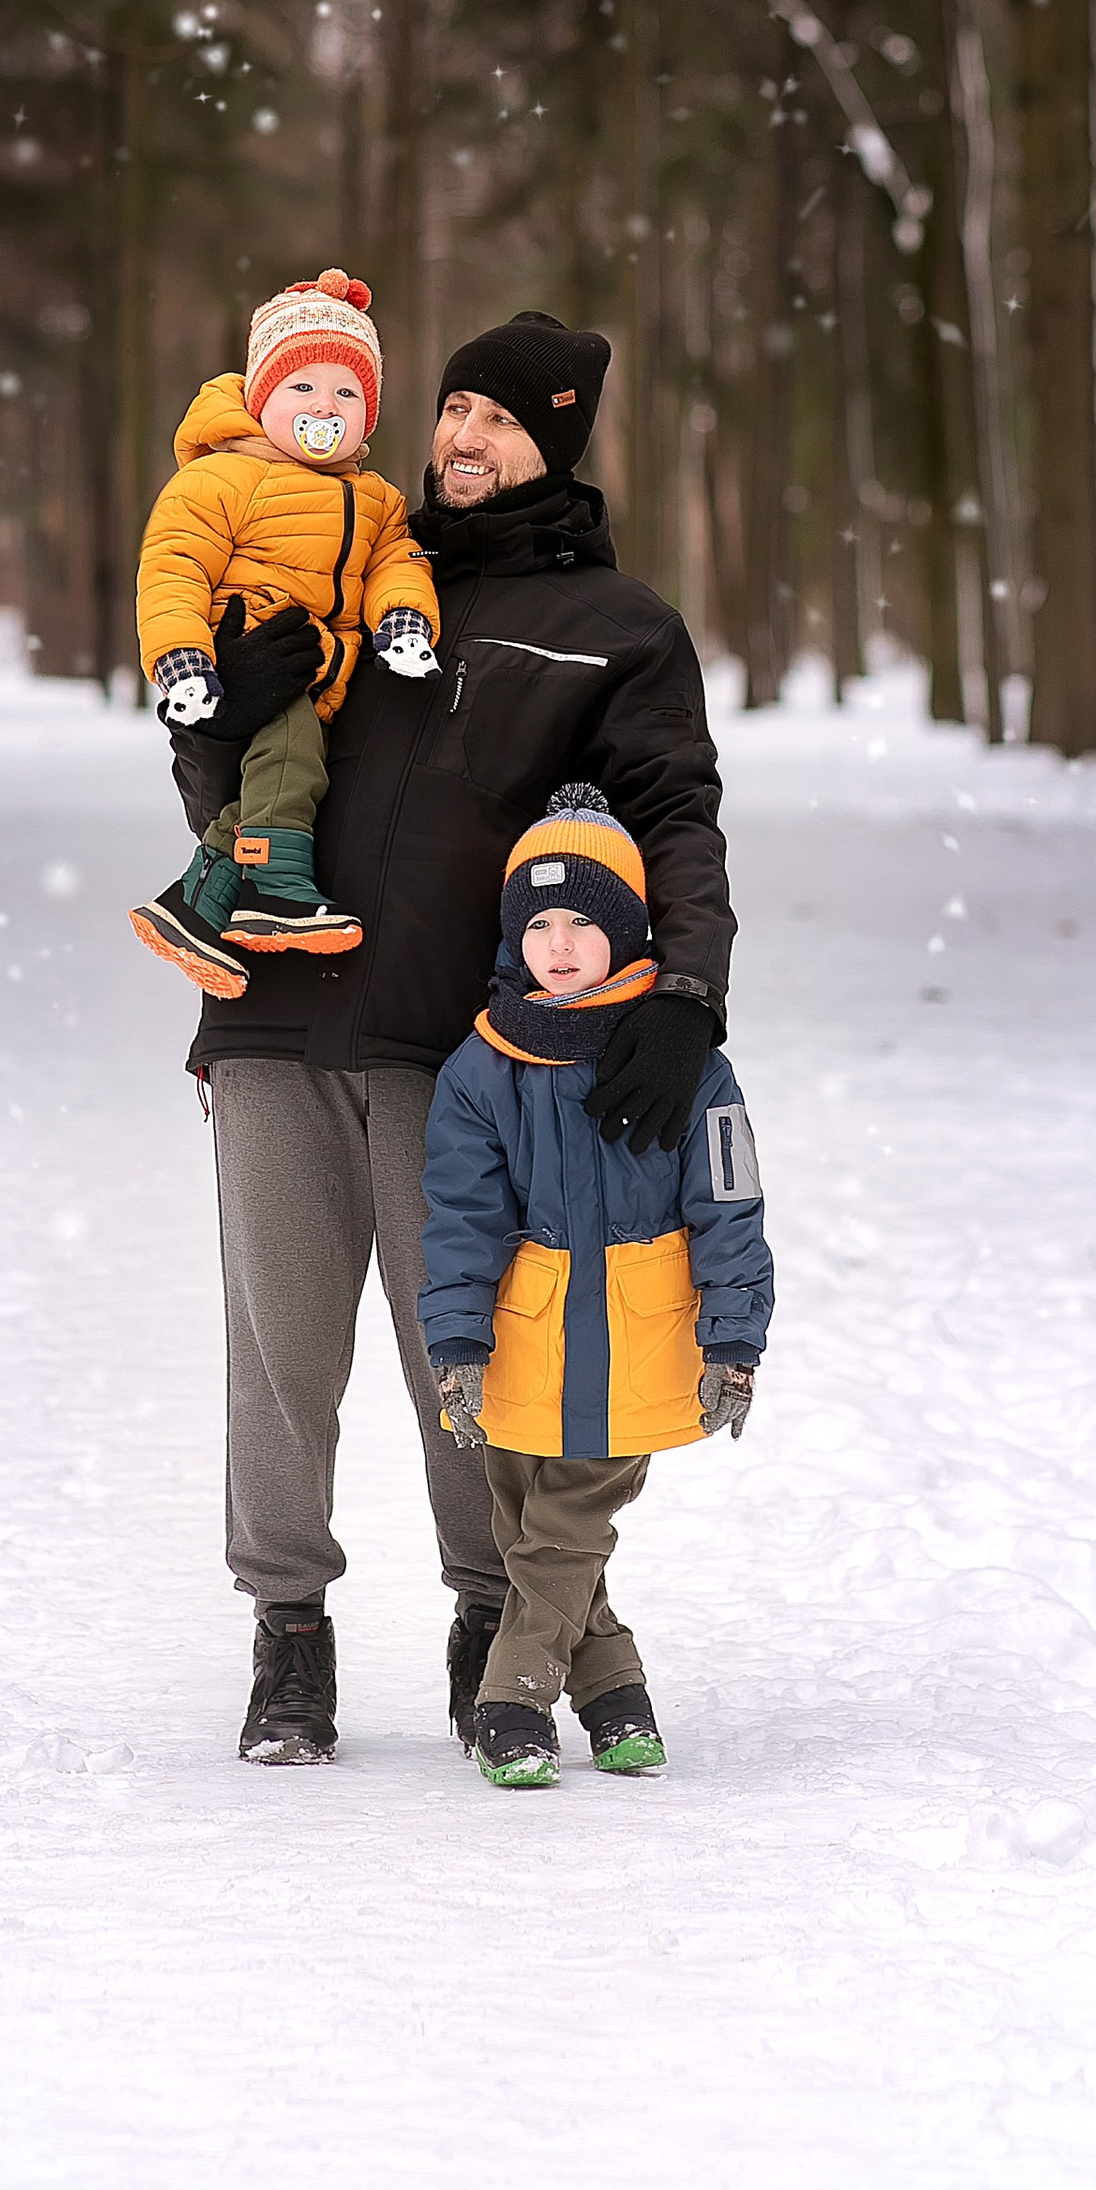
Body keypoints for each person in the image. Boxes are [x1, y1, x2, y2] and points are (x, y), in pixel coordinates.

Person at [163, 306, 736, 1767]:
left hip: (467, 1059)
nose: (459, 439)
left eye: (497, 420)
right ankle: (288, 1635)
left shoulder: (617, 631)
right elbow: (234, 795)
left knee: (466, 1359)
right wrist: (221, 715)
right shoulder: (355, 562)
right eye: (451, 412)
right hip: (274, 1011)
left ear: (554, 441)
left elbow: (671, 818)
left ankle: (501, 1625)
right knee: (279, 1358)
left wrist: (685, 996)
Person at [418, 784, 773, 1788]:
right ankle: (616, 1697)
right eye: (539, 924)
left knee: (566, 1527)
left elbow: (730, 1203)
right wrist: (457, 1348)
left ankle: (514, 1699)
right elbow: (460, 1220)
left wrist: (733, 1340)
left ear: (624, 930)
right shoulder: (479, 1071)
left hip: (639, 1339)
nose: (561, 945)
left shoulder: (689, 1067)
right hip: (523, 1341)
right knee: (535, 1530)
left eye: (585, 921)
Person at [130, 269, 441, 986]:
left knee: (275, 778)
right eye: (302, 388)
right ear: (261, 398)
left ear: (369, 415)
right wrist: (185, 661)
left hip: (323, 663)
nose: (323, 405)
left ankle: (199, 903)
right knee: (291, 761)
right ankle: (276, 887)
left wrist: (401, 621)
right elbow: (173, 568)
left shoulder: (379, 500)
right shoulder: (218, 481)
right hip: (246, 652)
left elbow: (400, 562)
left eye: (347, 392)